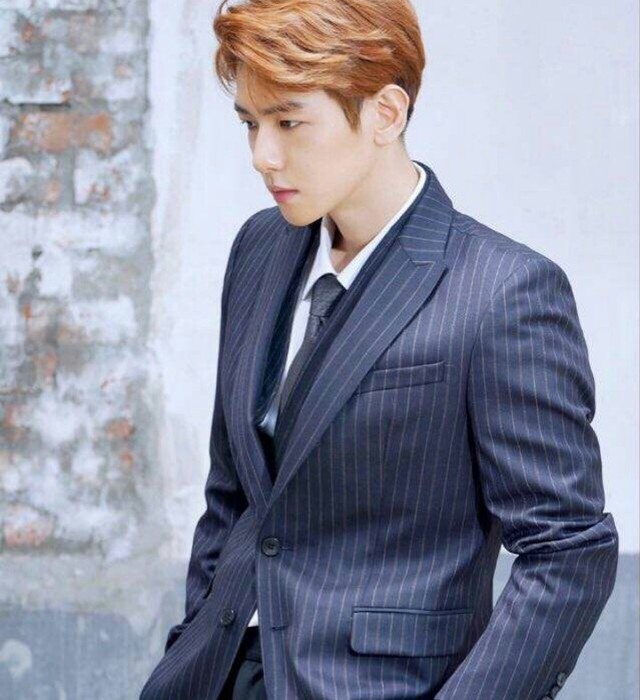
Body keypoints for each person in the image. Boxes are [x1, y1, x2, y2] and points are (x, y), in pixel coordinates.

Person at [140, 1, 619, 698]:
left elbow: (567, 550)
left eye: (288, 122)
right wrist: (190, 644)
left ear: (386, 114)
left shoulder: (501, 291)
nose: (262, 156)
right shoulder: (260, 248)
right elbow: (233, 491)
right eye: (250, 123)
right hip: (217, 674)